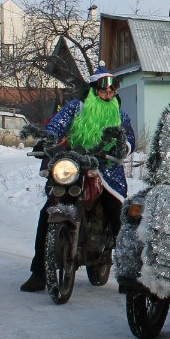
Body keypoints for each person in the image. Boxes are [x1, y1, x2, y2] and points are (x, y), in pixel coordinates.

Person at [21, 64, 136, 292]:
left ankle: (128, 274)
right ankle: (39, 272)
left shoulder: (120, 115)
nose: (108, 94)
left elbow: (128, 137)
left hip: (105, 169)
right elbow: (57, 124)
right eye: (104, 90)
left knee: (117, 215)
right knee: (48, 212)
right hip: (73, 165)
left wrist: (123, 148)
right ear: (93, 90)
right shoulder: (76, 108)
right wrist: (48, 138)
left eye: (112, 91)